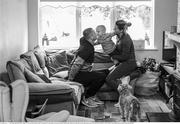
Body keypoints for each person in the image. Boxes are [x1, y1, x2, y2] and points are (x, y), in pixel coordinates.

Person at [68, 28, 106, 108]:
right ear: (91, 36)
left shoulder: (84, 40)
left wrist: (99, 42)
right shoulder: (87, 49)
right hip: (78, 74)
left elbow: (91, 42)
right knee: (101, 76)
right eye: (95, 33)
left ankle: (92, 96)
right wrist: (70, 79)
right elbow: (77, 64)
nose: (97, 34)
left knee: (105, 72)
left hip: (83, 72)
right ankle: (88, 97)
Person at [105, 20, 137, 106]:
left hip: (129, 63)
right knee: (107, 73)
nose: (113, 29)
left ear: (121, 30)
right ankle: (125, 94)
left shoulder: (126, 39)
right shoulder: (119, 36)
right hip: (123, 63)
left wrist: (113, 57)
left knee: (109, 79)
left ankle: (125, 96)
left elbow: (125, 56)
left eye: (115, 28)